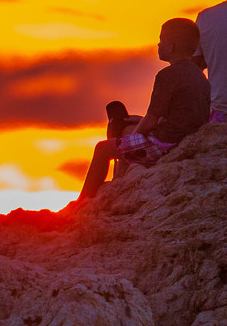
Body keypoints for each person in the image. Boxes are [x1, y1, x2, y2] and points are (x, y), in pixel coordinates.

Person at [75, 19, 210, 201]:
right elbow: (183, 114)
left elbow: (152, 119)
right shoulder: (199, 76)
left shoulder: (167, 76)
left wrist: (134, 136)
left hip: (165, 145)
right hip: (184, 138)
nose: (158, 44)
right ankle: (120, 169)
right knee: (128, 126)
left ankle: (83, 201)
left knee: (102, 149)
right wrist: (139, 122)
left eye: (161, 40)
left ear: (171, 46)